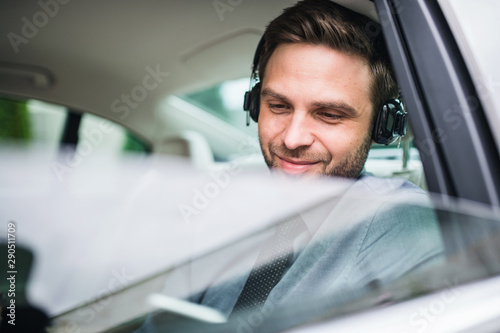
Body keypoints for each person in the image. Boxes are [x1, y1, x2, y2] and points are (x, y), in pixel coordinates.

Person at [137, 1, 444, 331]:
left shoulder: (405, 224)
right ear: (255, 106)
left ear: (382, 126)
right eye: (279, 106)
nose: (293, 138)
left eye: (329, 114)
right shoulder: (223, 212)